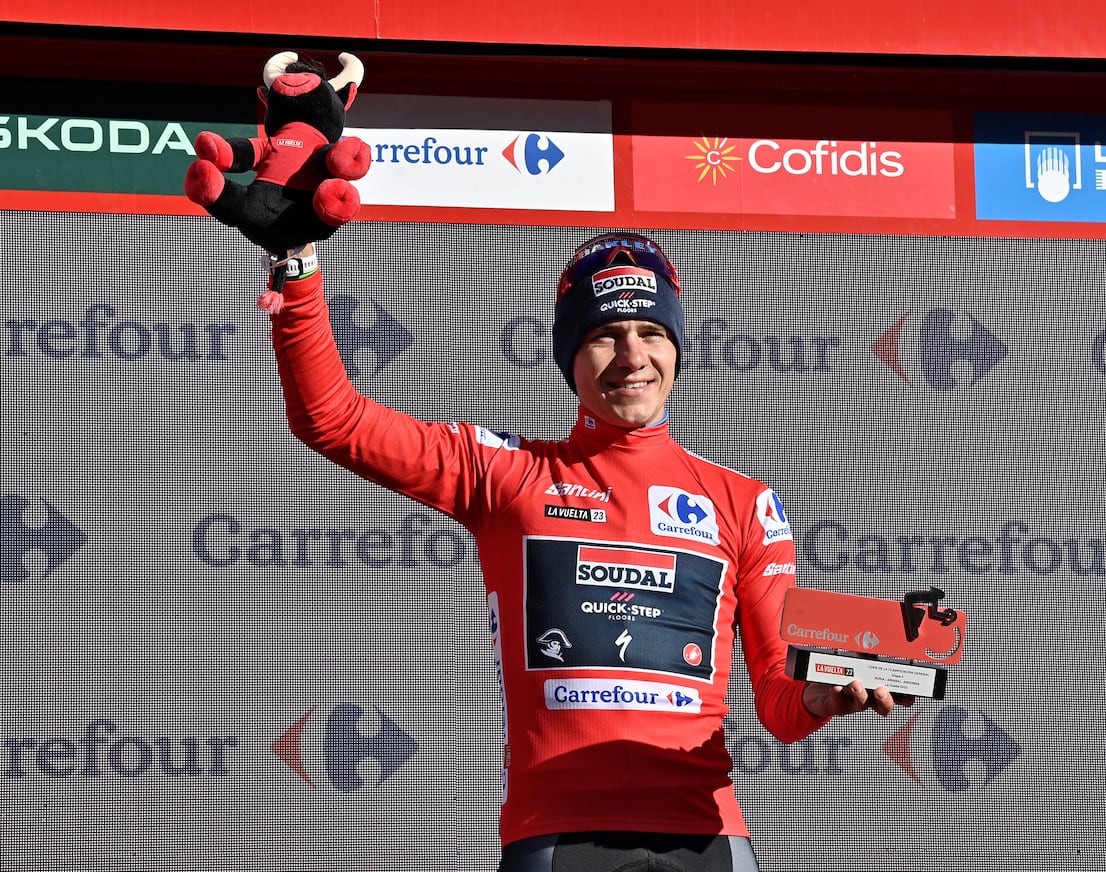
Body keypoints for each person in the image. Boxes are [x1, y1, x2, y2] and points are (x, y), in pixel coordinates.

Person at [267, 231, 906, 871]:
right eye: (605, 335)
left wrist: (823, 696)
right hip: (555, 836)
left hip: (706, 841)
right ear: (568, 356)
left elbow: (780, 701)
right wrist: (297, 267)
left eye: (651, 332)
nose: (633, 356)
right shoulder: (507, 474)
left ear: (676, 347)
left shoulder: (745, 503)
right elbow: (333, 419)